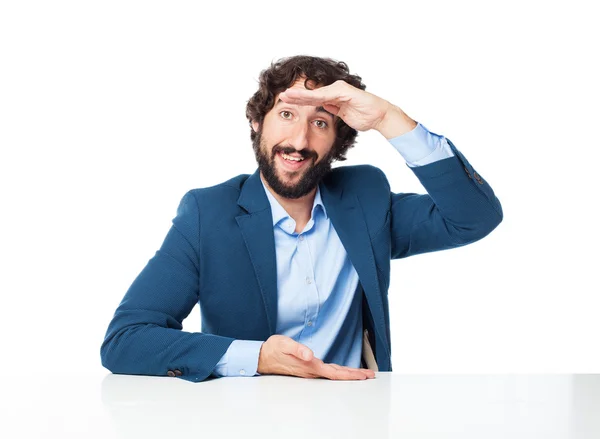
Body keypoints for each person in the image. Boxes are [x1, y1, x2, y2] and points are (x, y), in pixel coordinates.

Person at [100, 55, 503, 383]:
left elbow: (474, 217)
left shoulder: (365, 198)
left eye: (321, 123)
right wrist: (258, 356)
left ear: (339, 141)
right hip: (245, 419)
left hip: (358, 414)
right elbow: (126, 340)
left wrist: (388, 119)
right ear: (258, 122)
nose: (299, 141)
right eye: (287, 114)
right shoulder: (209, 214)